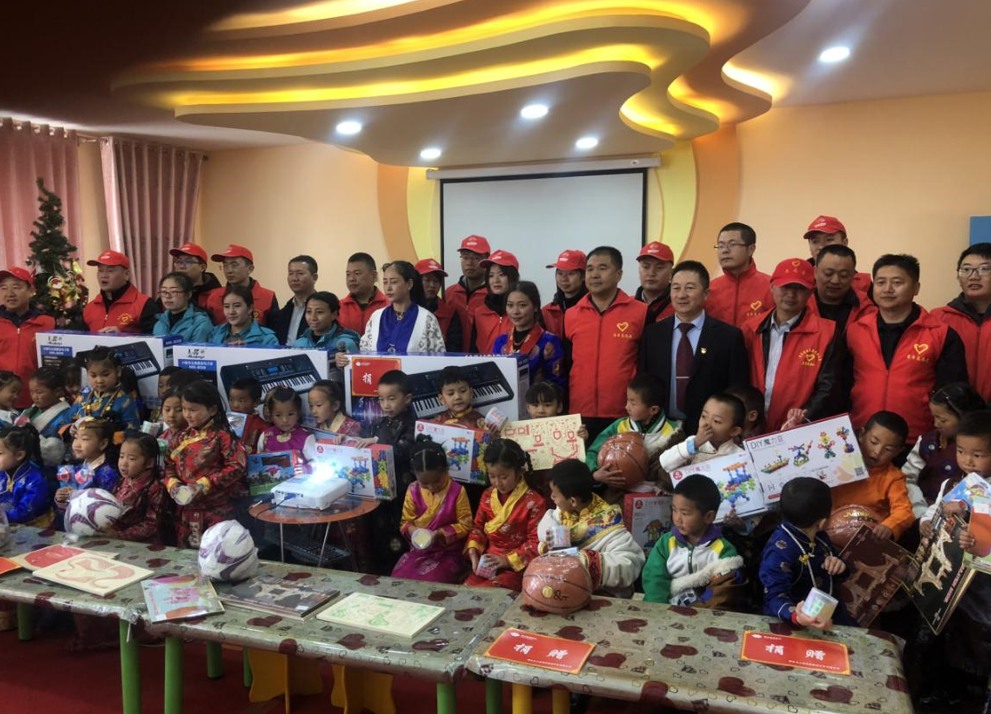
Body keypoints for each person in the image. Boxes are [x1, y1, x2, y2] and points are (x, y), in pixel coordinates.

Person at [847, 254, 968, 445]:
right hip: (863, 434)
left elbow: (952, 394)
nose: (887, 289)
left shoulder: (940, 334)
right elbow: (842, 383)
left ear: (916, 288)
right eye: (880, 282)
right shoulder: (855, 330)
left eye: (897, 282)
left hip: (918, 439)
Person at [638, 261, 749, 435]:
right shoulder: (652, 334)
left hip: (710, 432)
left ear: (706, 294)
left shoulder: (728, 336)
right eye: (676, 288)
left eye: (689, 288)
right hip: (660, 429)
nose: (681, 295)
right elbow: (644, 383)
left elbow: (736, 389)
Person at [741, 258, 845, 432]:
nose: (791, 294)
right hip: (750, 427)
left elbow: (829, 387)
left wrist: (803, 418)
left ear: (811, 292)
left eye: (800, 288)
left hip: (797, 429)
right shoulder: (750, 328)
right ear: (772, 286)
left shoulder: (827, 332)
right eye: (785, 286)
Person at [566, 246, 647, 438]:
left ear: (619, 274)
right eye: (590, 269)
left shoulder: (640, 312)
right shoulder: (571, 314)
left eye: (602, 268)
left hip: (623, 411)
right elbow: (568, 363)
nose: (594, 275)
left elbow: (645, 364)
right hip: (580, 412)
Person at [537, 459, 645, 597]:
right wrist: (551, 540)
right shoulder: (565, 511)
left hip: (599, 594)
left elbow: (630, 564)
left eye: (555, 494)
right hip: (567, 588)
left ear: (573, 501)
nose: (551, 497)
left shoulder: (609, 524)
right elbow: (549, 520)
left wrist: (582, 561)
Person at [164, 381, 248, 547]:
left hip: (215, 509)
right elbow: (168, 465)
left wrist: (203, 485)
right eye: (184, 409)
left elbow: (237, 466)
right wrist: (173, 485)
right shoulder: (180, 437)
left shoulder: (223, 436)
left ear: (212, 410)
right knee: (185, 554)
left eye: (193, 410)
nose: (187, 415)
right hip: (186, 508)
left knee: (215, 552)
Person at [760, 477, 850, 628]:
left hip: (831, 614)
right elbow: (774, 596)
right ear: (822, 522)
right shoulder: (778, 552)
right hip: (796, 622)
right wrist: (797, 616)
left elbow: (840, 565)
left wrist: (839, 565)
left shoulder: (820, 536)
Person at [641, 474, 744, 606]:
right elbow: (654, 578)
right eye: (674, 510)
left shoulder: (723, 551)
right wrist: (658, 608)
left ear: (708, 517)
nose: (677, 518)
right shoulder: (666, 544)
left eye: (685, 513)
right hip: (667, 608)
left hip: (707, 611)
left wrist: (699, 610)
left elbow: (724, 590)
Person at [465, 439, 547, 591]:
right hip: (489, 562)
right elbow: (478, 528)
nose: (497, 483)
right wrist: (473, 550)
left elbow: (536, 542)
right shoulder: (487, 495)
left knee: (487, 593)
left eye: (503, 477)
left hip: (517, 567)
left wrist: (507, 560)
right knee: (466, 590)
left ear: (520, 471)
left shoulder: (535, 502)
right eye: (492, 476)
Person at [392, 436, 473, 583]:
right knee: (399, 578)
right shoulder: (412, 490)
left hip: (448, 553)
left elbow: (466, 525)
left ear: (445, 470)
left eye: (436, 481)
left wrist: (440, 533)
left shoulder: (457, 491)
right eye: (424, 483)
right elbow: (405, 522)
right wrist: (414, 532)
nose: (431, 487)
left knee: (432, 581)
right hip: (420, 550)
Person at [585, 373, 683, 489]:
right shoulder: (620, 426)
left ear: (653, 410)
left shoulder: (674, 432)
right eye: (627, 401)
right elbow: (593, 452)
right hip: (621, 490)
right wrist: (595, 472)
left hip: (658, 492)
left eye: (633, 403)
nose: (627, 407)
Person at [362, 370, 418, 571]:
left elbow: (402, 450)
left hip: (402, 491)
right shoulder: (379, 423)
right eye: (381, 399)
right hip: (380, 491)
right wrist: (351, 441)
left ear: (407, 398)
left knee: (398, 534)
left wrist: (376, 442)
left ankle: (400, 573)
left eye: (392, 399)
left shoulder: (413, 425)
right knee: (377, 533)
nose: (386, 405)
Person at [831, 411, 916, 541]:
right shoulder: (837, 460)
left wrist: (888, 526)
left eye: (888, 449)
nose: (877, 452)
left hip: (865, 537)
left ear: (898, 452)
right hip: (827, 528)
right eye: (874, 442)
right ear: (861, 435)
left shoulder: (893, 478)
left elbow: (904, 511)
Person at [902, 383, 985, 517]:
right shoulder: (928, 442)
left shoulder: (982, 449)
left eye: (942, 420)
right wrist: (921, 512)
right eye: (934, 417)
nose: (936, 424)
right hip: (918, 511)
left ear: (964, 416)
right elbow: (907, 478)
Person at [932, 243, 991, 401]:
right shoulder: (937, 319)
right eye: (966, 269)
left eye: (984, 269)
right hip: (953, 411)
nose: (973, 276)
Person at [359, 260, 445, 354]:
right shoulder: (377, 317)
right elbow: (364, 354)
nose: (388, 288)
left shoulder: (427, 319)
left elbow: (438, 357)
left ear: (409, 284)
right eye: (385, 282)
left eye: (394, 282)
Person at [493, 281, 566, 391]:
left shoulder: (549, 342)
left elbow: (557, 384)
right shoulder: (501, 342)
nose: (515, 311)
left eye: (522, 305)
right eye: (510, 305)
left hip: (538, 401)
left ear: (535, 307)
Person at [0, 267, 55, 408]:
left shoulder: (47, 323)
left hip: (35, 401)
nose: (9, 293)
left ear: (31, 291)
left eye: (16, 287)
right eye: (4, 288)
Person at [705, 222, 773, 327]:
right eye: (720, 246)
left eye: (732, 244)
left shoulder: (771, 287)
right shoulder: (709, 290)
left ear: (751, 249)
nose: (725, 250)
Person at [659, 393, 746, 473]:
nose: (706, 423)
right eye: (704, 416)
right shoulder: (693, 443)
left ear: (734, 431)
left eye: (716, 421)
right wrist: (695, 443)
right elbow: (665, 463)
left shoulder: (740, 456)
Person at [65, 348, 141, 433]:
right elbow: (66, 421)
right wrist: (71, 428)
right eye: (93, 376)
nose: (99, 380)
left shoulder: (125, 401)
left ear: (118, 371)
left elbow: (133, 429)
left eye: (105, 375)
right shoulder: (82, 398)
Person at [55, 417, 119, 515]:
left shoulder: (108, 474)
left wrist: (76, 495)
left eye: (84, 439)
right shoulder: (77, 467)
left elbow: (103, 509)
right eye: (76, 437)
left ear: (102, 444)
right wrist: (61, 498)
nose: (76, 444)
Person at [82, 250, 156, 333]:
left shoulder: (144, 304)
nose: (104, 275)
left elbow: (154, 338)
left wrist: (122, 336)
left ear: (126, 274)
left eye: (110, 271)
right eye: (100, 270)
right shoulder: (90, 308)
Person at [110, 433, 165, 544]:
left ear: (149, 463)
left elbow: (151, 524)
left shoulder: (154, 488)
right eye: (121, 456)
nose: (123, 463)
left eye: (132, 459)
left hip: (142, 545)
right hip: (115, 539)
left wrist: (119, 535)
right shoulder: (122, 481)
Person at [205, 244, 278, 326]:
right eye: (225, 265)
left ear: (250, 269)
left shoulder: (268, 297)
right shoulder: (214, 296)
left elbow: (274, 329)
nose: (229, 270)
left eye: (234, 265)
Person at [293, 292, 360, 377]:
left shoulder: (346, 343)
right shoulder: (298, 344)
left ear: (334, 314)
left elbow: (356, 376)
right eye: (309, 311)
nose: (313, 318)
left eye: (319, 312)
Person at [802, 215, 872, 297]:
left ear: (844, 243)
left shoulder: (863, 284)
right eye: (815, 241)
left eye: (829, 240)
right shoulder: (799, 279)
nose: (821, 246)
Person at [812, 245, 875, 333]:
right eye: (828, 273)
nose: (835, 281)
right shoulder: (801, 306)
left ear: (853, 275)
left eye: (843, 275)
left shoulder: (866, 310)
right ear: (815, 272)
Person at [0, 425, 51, 526]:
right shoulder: (2, 472)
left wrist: (2, 516)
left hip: (32, 527)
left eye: (0, 453)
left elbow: (25, 512)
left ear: (19, 455)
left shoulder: (35, 480)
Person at [22, 367, 72, 466]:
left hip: (47, 467)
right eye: (31, 392)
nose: (34, 396)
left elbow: (57, 452)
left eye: (39, 392)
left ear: (58, 391)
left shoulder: (67, 415)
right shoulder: (31, 410)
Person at [471, 250, 519, 354]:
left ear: (512, 276)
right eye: (491, 275)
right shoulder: (479, 313)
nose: (495, 280)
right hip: (485, 364)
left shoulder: (523, 311)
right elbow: (473, 350)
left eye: (501, 274)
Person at [416, 258, 465, 352]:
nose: (432, 285)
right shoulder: (403, 310)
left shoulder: (450, 312)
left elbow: (454, 348)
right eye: (427, 280)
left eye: (436, 281)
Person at [257, 387, 317, 462]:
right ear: (271, 415)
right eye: (278, 415)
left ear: (298, 413)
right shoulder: (265, 436)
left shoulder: (306, 438)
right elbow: (257, 460)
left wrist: (304, 467)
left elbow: (314, 461)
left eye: (290, 414)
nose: (285, 420)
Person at [208, 285, 279, 346]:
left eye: (237, 306)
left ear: (250, 308)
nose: (231, 312)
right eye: (226, 306)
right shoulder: (214, 334)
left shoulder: (267, 338)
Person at [446, 235, 491, 331]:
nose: (469, 263)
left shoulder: (494, 295)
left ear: (487, 261)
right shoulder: (449, 293)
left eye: (476, 258)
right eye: (465, 257)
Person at [153, 272, 213, 342]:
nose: (168, 296)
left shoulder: (201, 323)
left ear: (188, 294)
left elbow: (199, 348)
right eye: (164, 292)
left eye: (174, 292)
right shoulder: (160, 323)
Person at [273, 255, 318, 345]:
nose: (294, 278)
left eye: (300, 273)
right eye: (291, 273)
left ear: (314, 277)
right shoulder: (283, 312)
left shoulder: (323, 309)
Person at [339, 252, 389, 335]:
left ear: (374, 276)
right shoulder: (338, 307)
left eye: (357, 273)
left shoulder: (389, 306)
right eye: (348, 274)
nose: (351, 278)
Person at [542, 250, 587, 338]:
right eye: (560, 273)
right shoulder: (547, 311)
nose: (564, 279)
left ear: (584, 276)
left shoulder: (592, 309)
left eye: (571, 273)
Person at [168, 243, 223, 311]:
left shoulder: (217, 295)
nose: (182, 266)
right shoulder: (170, 292)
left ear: (202, 267)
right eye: (179, 262)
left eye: (188, 262)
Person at [635, 242, 676, 324]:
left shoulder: (680, 306)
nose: (651, 273)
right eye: (646, 267)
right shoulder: (626, 306)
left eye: (659, 267)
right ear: (638, 270)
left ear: (671, 273)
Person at [228, 377, 269, 455]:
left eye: (241, 401)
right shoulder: (226, 420)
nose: (235, 405)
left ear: (256, 402)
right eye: (231, 399)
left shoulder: (263, 427)